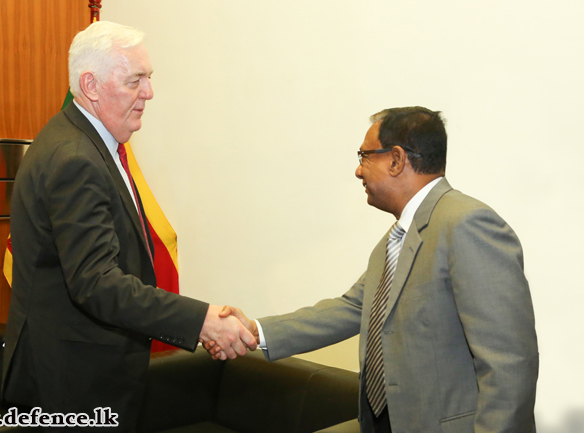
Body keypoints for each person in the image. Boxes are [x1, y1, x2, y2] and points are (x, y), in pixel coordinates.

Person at [206, 107, 539, 433]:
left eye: (364, 156)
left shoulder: (466, 224)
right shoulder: (393, 241)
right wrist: (254, 330)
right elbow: (352, 307)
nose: (358, 170)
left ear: (396, 159)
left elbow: (509, 363)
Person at [2, 21, 256, 432]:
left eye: (149, 78)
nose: (149, 93)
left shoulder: (87, 144)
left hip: (83, 376)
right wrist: (203, 320)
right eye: (135, 79)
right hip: (70, 387)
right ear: (91, 84)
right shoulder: (75, 158)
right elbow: (96, 282)